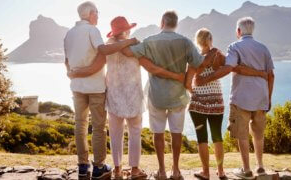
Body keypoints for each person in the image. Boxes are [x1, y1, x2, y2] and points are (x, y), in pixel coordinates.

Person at [68, 16, 185, 180]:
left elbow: (97, 66)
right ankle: (135, 170)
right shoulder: (135, 45)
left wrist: (76, 73)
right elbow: (148, 64)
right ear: (126, 30)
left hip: (114, 96)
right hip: (133, 97)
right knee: (135, 133)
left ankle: (117, 170)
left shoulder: (108, 46)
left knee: (115, 134)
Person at [121, 11, 218, 180]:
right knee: (176, 133)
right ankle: (176, 170)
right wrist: (187, 81)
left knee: (158, 133)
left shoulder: (150, 41)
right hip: (178, 96)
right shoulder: (186, 42)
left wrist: (131, 41)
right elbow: (198, 63)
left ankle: (162, 171)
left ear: (162, 22)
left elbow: (128, 53)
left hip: (156, 95)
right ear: (176, 23)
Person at [64, 1, 139, 179]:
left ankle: (83, 166)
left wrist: (72, 73)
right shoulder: (92, 30)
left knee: (80, 125)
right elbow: (104, 50)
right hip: (95, 87)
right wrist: (130, 41)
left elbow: (66, 60)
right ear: (90, 14)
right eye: (97, 12)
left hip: (76, 87)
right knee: (98, 127)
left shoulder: (69, 33)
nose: (98, 15)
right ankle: (98, 167)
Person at [195, 17, 275, 179]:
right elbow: (271, 75)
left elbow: (229, 68)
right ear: (252, 30)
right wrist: (269, 97)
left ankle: (246, 170)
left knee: (242, 134)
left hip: (241, 98)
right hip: (261, 98)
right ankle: (260, 167)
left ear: (238, 31)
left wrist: (205, 80)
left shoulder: (235, 47)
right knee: (258, 135)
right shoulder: (264, 48)